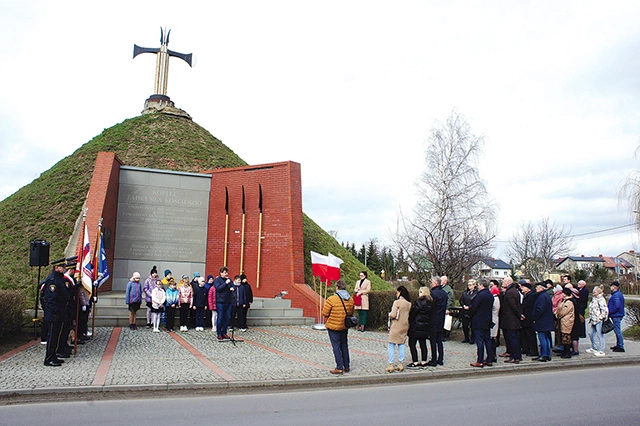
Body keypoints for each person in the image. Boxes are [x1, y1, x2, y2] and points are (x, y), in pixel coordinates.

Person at [322, 279, 354, 374]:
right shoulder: (350, 299)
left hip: (334, 326)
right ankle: (346, 366)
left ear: (337, 287)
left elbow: (325, 313)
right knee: (344, 345)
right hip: (344, 325)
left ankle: (339, 367)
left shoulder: (331, 299)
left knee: (336, 346)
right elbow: (351, 313)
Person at [42, 260, 67, 366]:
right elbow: (51, 299)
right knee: (52, 337)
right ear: (56, 267)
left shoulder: (59, 278)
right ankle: (48, 358)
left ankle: (53, 355)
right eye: (62, 267)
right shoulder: (53, 280)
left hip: (58, 312)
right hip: (53, 314)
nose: (64, 268)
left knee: (56, 336)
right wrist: (55, 312)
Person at [468, 278, 494, 368]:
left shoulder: (480, 295)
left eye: (479, 285)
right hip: (487, 320)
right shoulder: (490, 295)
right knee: (488, 340)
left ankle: (480, 361)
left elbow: (474, 307)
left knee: (479, 341)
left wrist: (470, 311)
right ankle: (490, 359)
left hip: (479, 320)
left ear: (482, 285)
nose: (478, 287)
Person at [386, 286, 411, 373]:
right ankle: (400, 363)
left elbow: (393, 314)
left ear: (400, 292)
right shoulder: (408, 304)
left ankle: (390, 364)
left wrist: (389, 315)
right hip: (404, 326)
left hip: (396, 325)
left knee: (391, 344)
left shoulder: (397, 302)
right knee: (401, 344)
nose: (396, 294)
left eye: (397, 292)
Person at [407, 286, 432, 368]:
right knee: (423, 344)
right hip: (425, 326)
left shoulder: (419, 302)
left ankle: (415, 361)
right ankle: (424, 361)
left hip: (416, 325)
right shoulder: (430, 302)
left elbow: (413, 313)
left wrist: (410, 322)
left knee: (412, 344)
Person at [501, 277, 523, 363]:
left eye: (504, 282)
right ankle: (517, 356)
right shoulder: (514, 291)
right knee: (514, 338)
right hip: (513, 319)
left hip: (510, 320)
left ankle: (515, 357)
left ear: (507, 282)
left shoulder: (510, 292)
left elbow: (512, 306)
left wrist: (519, 315)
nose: (503, 283)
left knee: (512, 338)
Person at [427, 276, 447, 366]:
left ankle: (434, 359)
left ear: (435, 283)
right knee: (439, 340)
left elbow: (430, 307)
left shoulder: (433, 293)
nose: (431, 283)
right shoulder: (444, 293)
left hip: (433, 319)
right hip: (441, 319)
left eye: (432, 282)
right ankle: (441, 358)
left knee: (433, 340)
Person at [531, 282, 554, 362]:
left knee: (542, 338)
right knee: (546, 338)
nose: (536, 289)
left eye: (537, 287)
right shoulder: (546, 296)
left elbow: (539, 310)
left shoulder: (541, 297)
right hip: (547, 320)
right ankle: (547, 354)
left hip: (542, 321)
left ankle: (543, 355)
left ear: (541, 288)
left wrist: (534, 317)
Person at [586, 285, 608, 357]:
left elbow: (604, 310)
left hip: (598, 319)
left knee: (599, 335)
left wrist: (600, 317)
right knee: (590, 333)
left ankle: (602, 350)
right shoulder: (594, 298)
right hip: (593, 319)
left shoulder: (601, 299)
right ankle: (594, 347)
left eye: (594, 292)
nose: (593, 293)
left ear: (598, 292)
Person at [214, 266, 234, 341]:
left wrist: (233, 288)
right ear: (221, 273)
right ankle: (219, 333)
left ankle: (224, 332)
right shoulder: (217, 280)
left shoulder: (229, 280)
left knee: (227, 317)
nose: (226, 274)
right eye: (225, 273)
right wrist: (225, 283)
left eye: (227, 272)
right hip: (220, 302)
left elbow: (233, 286)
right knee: (220, 317)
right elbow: (218, 288)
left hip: (228, 301)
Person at [556, 287, 577, 358]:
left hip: (567, 322)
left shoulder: (569, 302)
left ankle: (567, 352)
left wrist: (557, 315)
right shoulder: (565, 300)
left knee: (566, 337)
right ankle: (564, 351)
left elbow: (563, 312)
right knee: (563, 337)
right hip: (564, 321)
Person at [519, 281, 538, 357]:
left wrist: (526, 315)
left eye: (523, 287)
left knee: (530, 335)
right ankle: (526, 349)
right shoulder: (526, 295)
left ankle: (533, 351)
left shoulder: (532, 296)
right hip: (525, 318)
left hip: (529, 318)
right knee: (525, 335)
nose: (521, 289)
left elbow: (530, 308)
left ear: (527, 288)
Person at [608, 281, 625, 352]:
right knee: (617, 330)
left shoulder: (616, 295)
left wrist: (610, 311)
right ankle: (618, 345)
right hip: (617, 314)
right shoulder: (616, 294)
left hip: (616, 315)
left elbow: (617, 306)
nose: (610, 287)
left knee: (617, 330)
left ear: (615, 287)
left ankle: (620, 346)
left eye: (611, 286)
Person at [459, 279, 478, 344]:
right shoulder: (465, 292)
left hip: (472, 312)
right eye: (468, 285)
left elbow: (476, 302)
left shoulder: (476, 293)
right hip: (465, 311)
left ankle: (472, 338)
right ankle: (466, 337)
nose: (469, 286)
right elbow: (461, 300)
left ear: (474, 285)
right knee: (465, 325)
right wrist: (463, 305)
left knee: (473, 326)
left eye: (470, 285)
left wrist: (470, 307)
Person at [489, 283, 501, 363]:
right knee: (492, 338)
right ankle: (493, 354)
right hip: (495, 319)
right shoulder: (497, 299)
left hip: (493, 320)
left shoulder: (494, 299)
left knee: (492, 338)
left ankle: (492, 355)